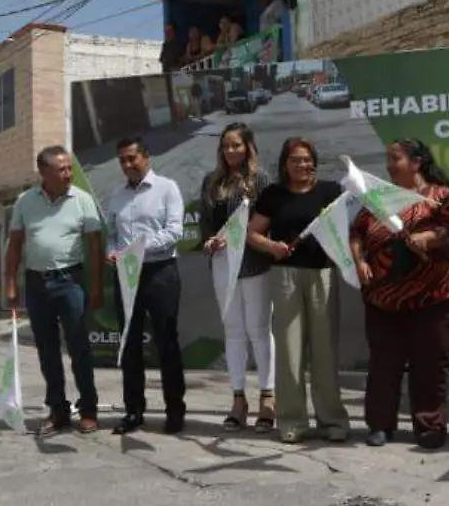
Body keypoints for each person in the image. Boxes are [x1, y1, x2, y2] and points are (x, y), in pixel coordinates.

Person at [350, 139, 449, 450]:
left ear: (417, 163)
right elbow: (357, 232)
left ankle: (429, 427)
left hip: (433, 297)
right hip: (382, 299)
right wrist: (359, 260)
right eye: (388, 159)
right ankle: (380, 425)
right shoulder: (377, 198)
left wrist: (428, 238)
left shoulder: (441, 197)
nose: (389, 165)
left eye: (396, 158)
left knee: (429, 366)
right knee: (383, 365)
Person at [249, 138, 351, 443]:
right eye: (295, 160)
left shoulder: (331, 192)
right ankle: (292, 421)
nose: (302, 165)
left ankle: (332, 421)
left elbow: (351, 223)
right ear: (285, 164)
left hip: (324, 275)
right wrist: (272, 247)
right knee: (290, 351)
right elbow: (253, 233)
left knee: (325, 352)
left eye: (307, 159)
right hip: (286, 277)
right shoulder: (273, 195)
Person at [4, 147, 106, 436]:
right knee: (47, 352)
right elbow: (14, 245)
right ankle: (58, 410)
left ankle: (88, 410)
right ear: (44, 173)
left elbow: (96, 246)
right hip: (36, 284)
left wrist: (96, 288)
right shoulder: (25, 201)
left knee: (79, 349)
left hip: (70, 281)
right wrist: (10, 283)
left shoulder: (82, 200)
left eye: (69, 168)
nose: (68, 174)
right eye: (61, 169)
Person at [103, 137, 189, 435]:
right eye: (122, 160)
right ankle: (133, 411)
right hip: (127, 274)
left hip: (160, 271)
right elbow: (112, 235)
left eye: (132, 158)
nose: (127, 165)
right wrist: (112, 251)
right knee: (129, 345)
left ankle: (175, 410)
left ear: (146, 157)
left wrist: (139, 248)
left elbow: (174, 231)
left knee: (166, 342)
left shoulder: (167, 188)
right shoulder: (116, 197)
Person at [199, 123, 275, 432]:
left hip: (255, 264)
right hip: (222, 265)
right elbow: (206, 224)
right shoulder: (211, 182)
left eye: (236, 145)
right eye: (226, 146)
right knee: (233, 331)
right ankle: (238, 399)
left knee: (259, 330)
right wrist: (208, 242)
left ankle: (268, 400)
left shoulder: (262, 180)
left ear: (248, 147)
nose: (230, 151)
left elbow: (269, 223)